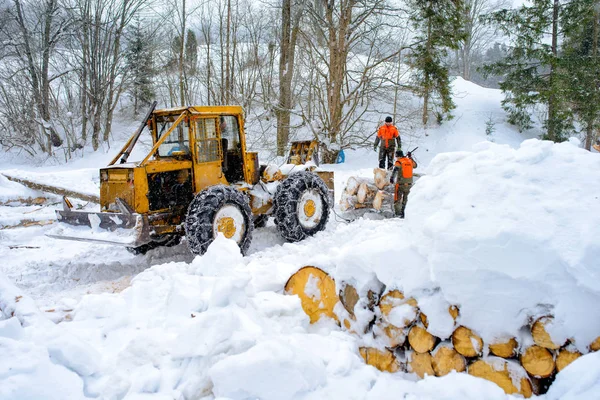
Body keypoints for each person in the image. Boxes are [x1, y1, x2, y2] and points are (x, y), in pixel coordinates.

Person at [389, 149, 417, 218]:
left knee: (397, 200)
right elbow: (415, 166)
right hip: (410, 184)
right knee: (406, 200)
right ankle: (404, 214)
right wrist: (410, 157)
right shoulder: (410, 161)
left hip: (401, 184)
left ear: (398, 156)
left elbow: (395, 170)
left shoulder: (399, 162)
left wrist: (392, 178)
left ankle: (398, 214)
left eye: (396, 156)